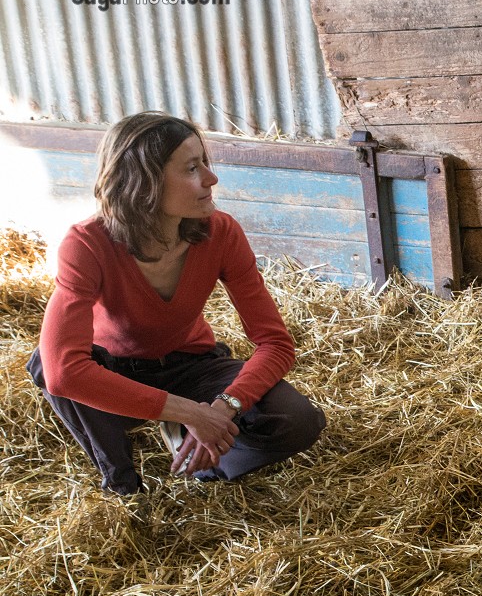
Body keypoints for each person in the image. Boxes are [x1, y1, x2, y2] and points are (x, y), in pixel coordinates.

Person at [28, 111, 325, 495]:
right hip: (112, 371)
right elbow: (63, 372)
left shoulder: (222, 232)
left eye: (205, 162)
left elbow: (276, 344)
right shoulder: (86, 243)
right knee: (47, 364)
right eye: (191, 168)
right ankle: (122, 485)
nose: (211, 178)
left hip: (192, 367)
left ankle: (202, 463)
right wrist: (189, 413)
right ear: (144, 182)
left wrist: (221, 410)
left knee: (298, 419)